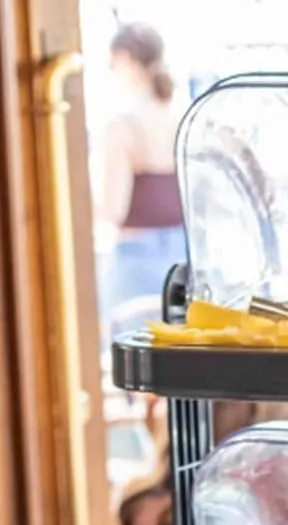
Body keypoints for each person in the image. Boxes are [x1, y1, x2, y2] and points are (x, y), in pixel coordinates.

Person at [99, 23, 185, 338]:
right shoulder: (182, 116)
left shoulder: (121, 125)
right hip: (182, 251)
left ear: (124, 59)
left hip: (135, 256)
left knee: (132, 363)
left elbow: (114, 209)